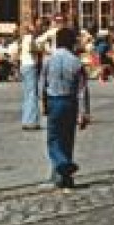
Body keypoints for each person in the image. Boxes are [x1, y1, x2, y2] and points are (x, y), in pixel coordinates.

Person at [41, 26, 91, 189]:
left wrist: (43, 104)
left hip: (54, 100)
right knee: (68, 139)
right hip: (70, 102)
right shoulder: (76, 62)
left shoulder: (49, 60)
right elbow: (82, 90)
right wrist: (84, 113)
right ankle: (66, 177)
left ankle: (63, 164)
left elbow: (43, 84)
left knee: (54, 139)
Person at [19, 18, 46, 130]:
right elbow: (31, 49)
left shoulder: (24, 37)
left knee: (27, 94)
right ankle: (32, 122)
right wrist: (40, 49)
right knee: (32, 94)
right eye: (35, 25)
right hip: (30, 66)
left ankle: (26, 120)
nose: (36, 28)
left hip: (24, 65)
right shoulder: (30, 37)